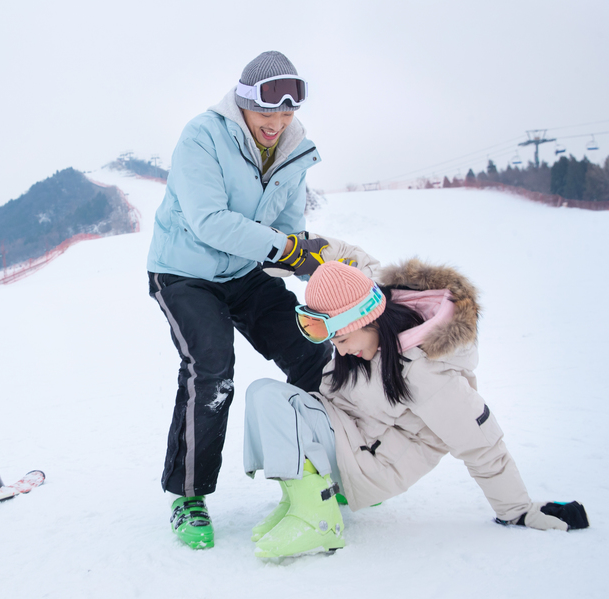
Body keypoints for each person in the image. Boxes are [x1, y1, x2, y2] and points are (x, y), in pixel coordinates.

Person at [147, 50, 376, 550]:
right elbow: (209, 221)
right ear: (243, 104)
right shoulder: (203, 136)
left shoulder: (295, 150)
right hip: (185, 272)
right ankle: (187, 495)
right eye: (267, 112)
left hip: (246, 272)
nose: (276, 122)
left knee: (312, 354)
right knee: (212, 369)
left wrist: (307, 258)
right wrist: (284, 247)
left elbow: (287, 229)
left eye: (287, 113)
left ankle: (334, 468)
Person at [243, 259, 589, 558]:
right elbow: (351, 262)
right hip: (346, 434)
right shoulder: (369, 333)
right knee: (264, 393)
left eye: (343, 339)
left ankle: (318, 519)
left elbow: (480, 441)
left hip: (371, 465)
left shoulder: (424, 370)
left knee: (275, 399)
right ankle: (300, 499)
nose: (341, 351)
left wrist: (518, 511)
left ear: (369, 320)